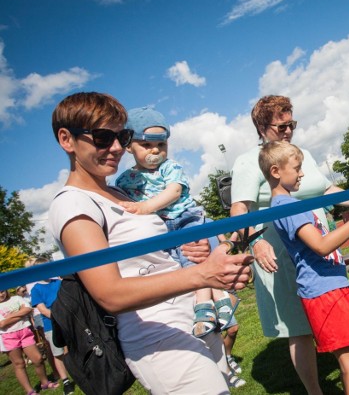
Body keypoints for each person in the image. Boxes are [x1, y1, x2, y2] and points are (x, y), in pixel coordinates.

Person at [50, 91, 253, 393]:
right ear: (67, 139)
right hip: (154, 334)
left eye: (123, 136)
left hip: (189, 314)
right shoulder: (73, 204)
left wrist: (194, 250)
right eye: (104, 137)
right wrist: (201, 274)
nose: (117, 147)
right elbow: (110, 294)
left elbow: (157, 253)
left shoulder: (123, 193)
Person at [230, 95, 349, 394]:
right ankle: (315, 390)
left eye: (292, 124)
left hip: (320, 247)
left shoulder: (299, 155)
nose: (288, 131)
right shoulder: (250, 161)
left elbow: (327, 190)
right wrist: (255, 241)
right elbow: (240, 209)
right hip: (278, 254)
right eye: (281, 126)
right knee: (298, 327)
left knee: (343, 304)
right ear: (262, 126)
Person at [260, 141, 349, 394]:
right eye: (297, 168)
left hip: (332, 286)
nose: (302, 173)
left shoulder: (290, 203)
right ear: (276, 171)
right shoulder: (286, 207)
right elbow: (321, 246)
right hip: (324, 292)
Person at [0, 288, 60, 395]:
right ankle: (30, 391)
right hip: (7, 336)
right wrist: (20, 313)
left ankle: (45, 383)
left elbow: (28, 309)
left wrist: (8, 317)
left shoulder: (16, 298)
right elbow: (2, 324)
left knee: (38, 359)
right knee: (19, 363)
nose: (1, 294)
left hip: (25, 332)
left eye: (2, 291)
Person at [29, 261, 75, 395]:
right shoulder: (36, 289)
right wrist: (58, 318)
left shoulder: (59, 282)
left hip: (68, 321)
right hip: (51, 325)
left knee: (72, 349)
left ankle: (80, 372)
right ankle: (66, 381)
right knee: (58, 353)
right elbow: (42, 309)